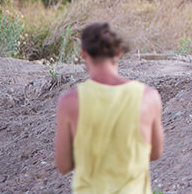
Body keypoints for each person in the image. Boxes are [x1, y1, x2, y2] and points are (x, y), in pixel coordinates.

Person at [54, 22, 164, 193]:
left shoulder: (69, 101)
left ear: (83, 53)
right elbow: (156, 153)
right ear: (119, 51)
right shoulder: (148, 97)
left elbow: (63, 165)